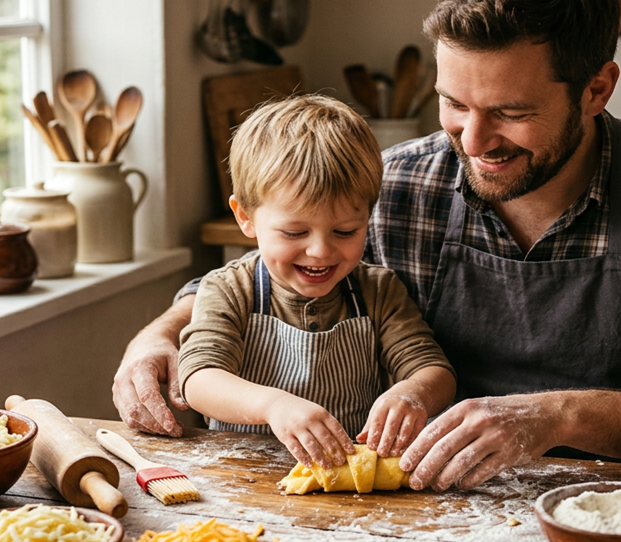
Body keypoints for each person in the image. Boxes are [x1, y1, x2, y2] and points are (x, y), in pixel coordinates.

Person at [113, 0, 621, 491]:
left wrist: (555, 416)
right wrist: (160, 334)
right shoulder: (404, 184)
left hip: (619, 518)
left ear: (596, 90)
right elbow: (273, 268)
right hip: (430, 509)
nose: (472, 139)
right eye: (454, 103)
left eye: (512, 113)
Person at [176, 94, 456, 469]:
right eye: (294, 233)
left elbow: (434, 370)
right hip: (241, 474)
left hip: (348, 478)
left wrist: (412, 392)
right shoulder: (229, 290)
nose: (321, 252)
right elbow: (199, 379)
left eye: (345, 231)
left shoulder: (378, 291)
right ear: (245, 217)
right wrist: (274, 406)